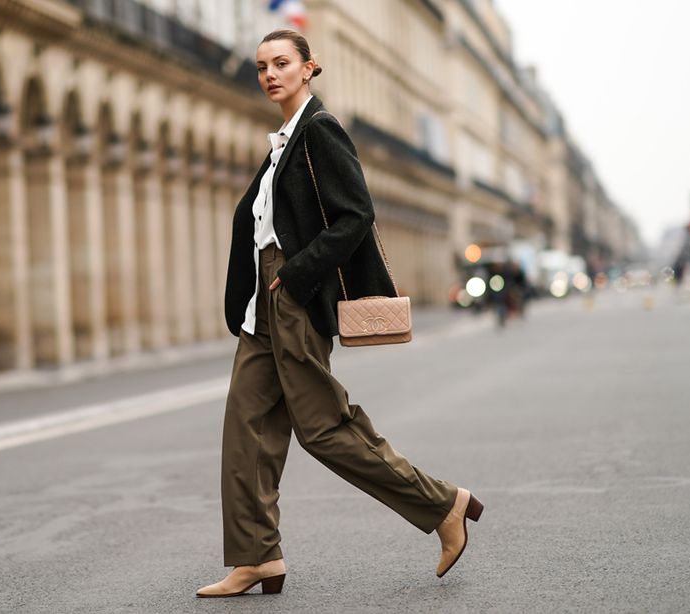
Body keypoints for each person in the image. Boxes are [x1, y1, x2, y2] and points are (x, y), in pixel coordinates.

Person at [196, 29, 484, 599]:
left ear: (309, 69)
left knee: (324, 429)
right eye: (261, 67)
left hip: (291, 296)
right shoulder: (282, 140)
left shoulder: (320, 132)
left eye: (281, 63)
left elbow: (356, 215)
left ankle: (442, 504)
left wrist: (297, 275)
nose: (270, 74)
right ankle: (256, 557)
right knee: (244, 432)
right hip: (263, 302)